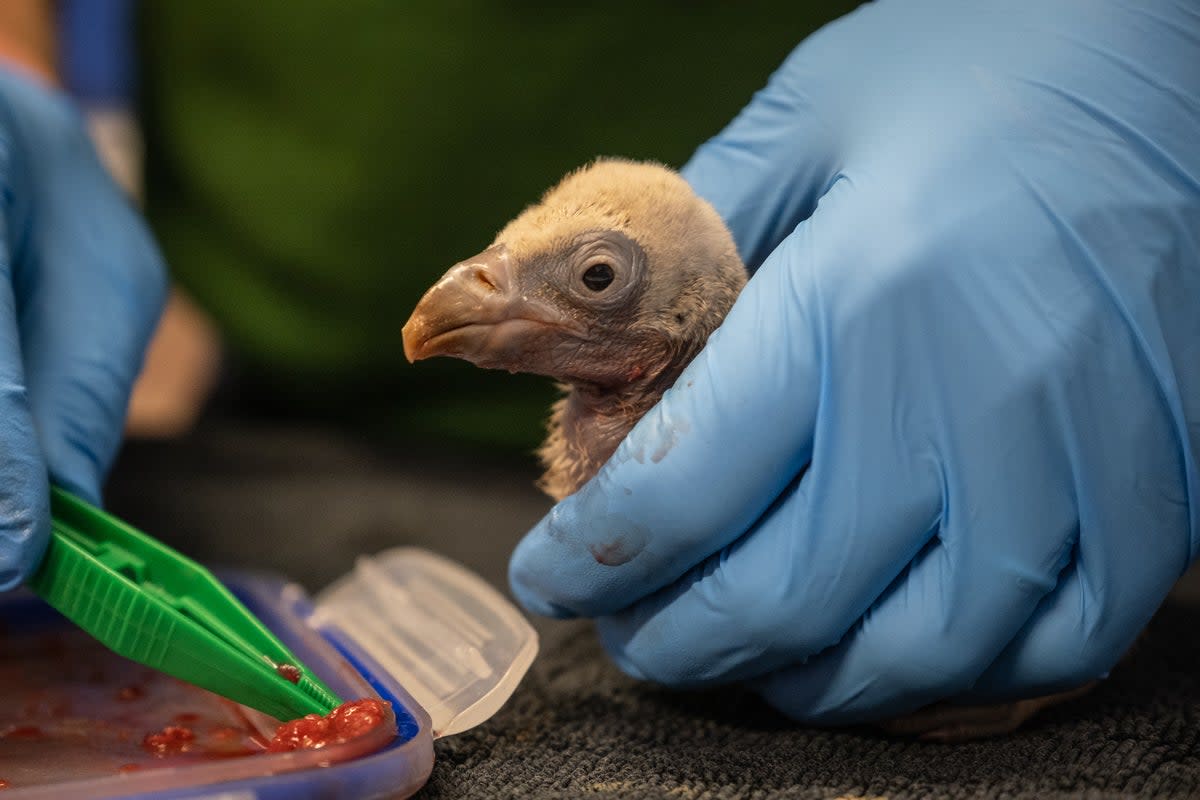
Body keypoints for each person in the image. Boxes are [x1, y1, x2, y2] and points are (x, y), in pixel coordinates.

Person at [1, 0, 1197, 729]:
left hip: (991, 224)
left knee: (1020, 462)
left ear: (678, 310)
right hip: (278, 405)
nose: (469, 295)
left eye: (593, 284)